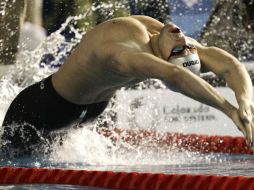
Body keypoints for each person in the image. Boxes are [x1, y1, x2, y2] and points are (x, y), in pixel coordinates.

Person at [2, 15, 254, 154]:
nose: (183, 40)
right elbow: (230, 65)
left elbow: (179, 76)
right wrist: (238, 106)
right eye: (187, 47)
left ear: (164, 60)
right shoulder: (153, 40)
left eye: (180, 48)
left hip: (53, 110)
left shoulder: (138, 53)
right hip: (62, 107)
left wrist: (235, 106)